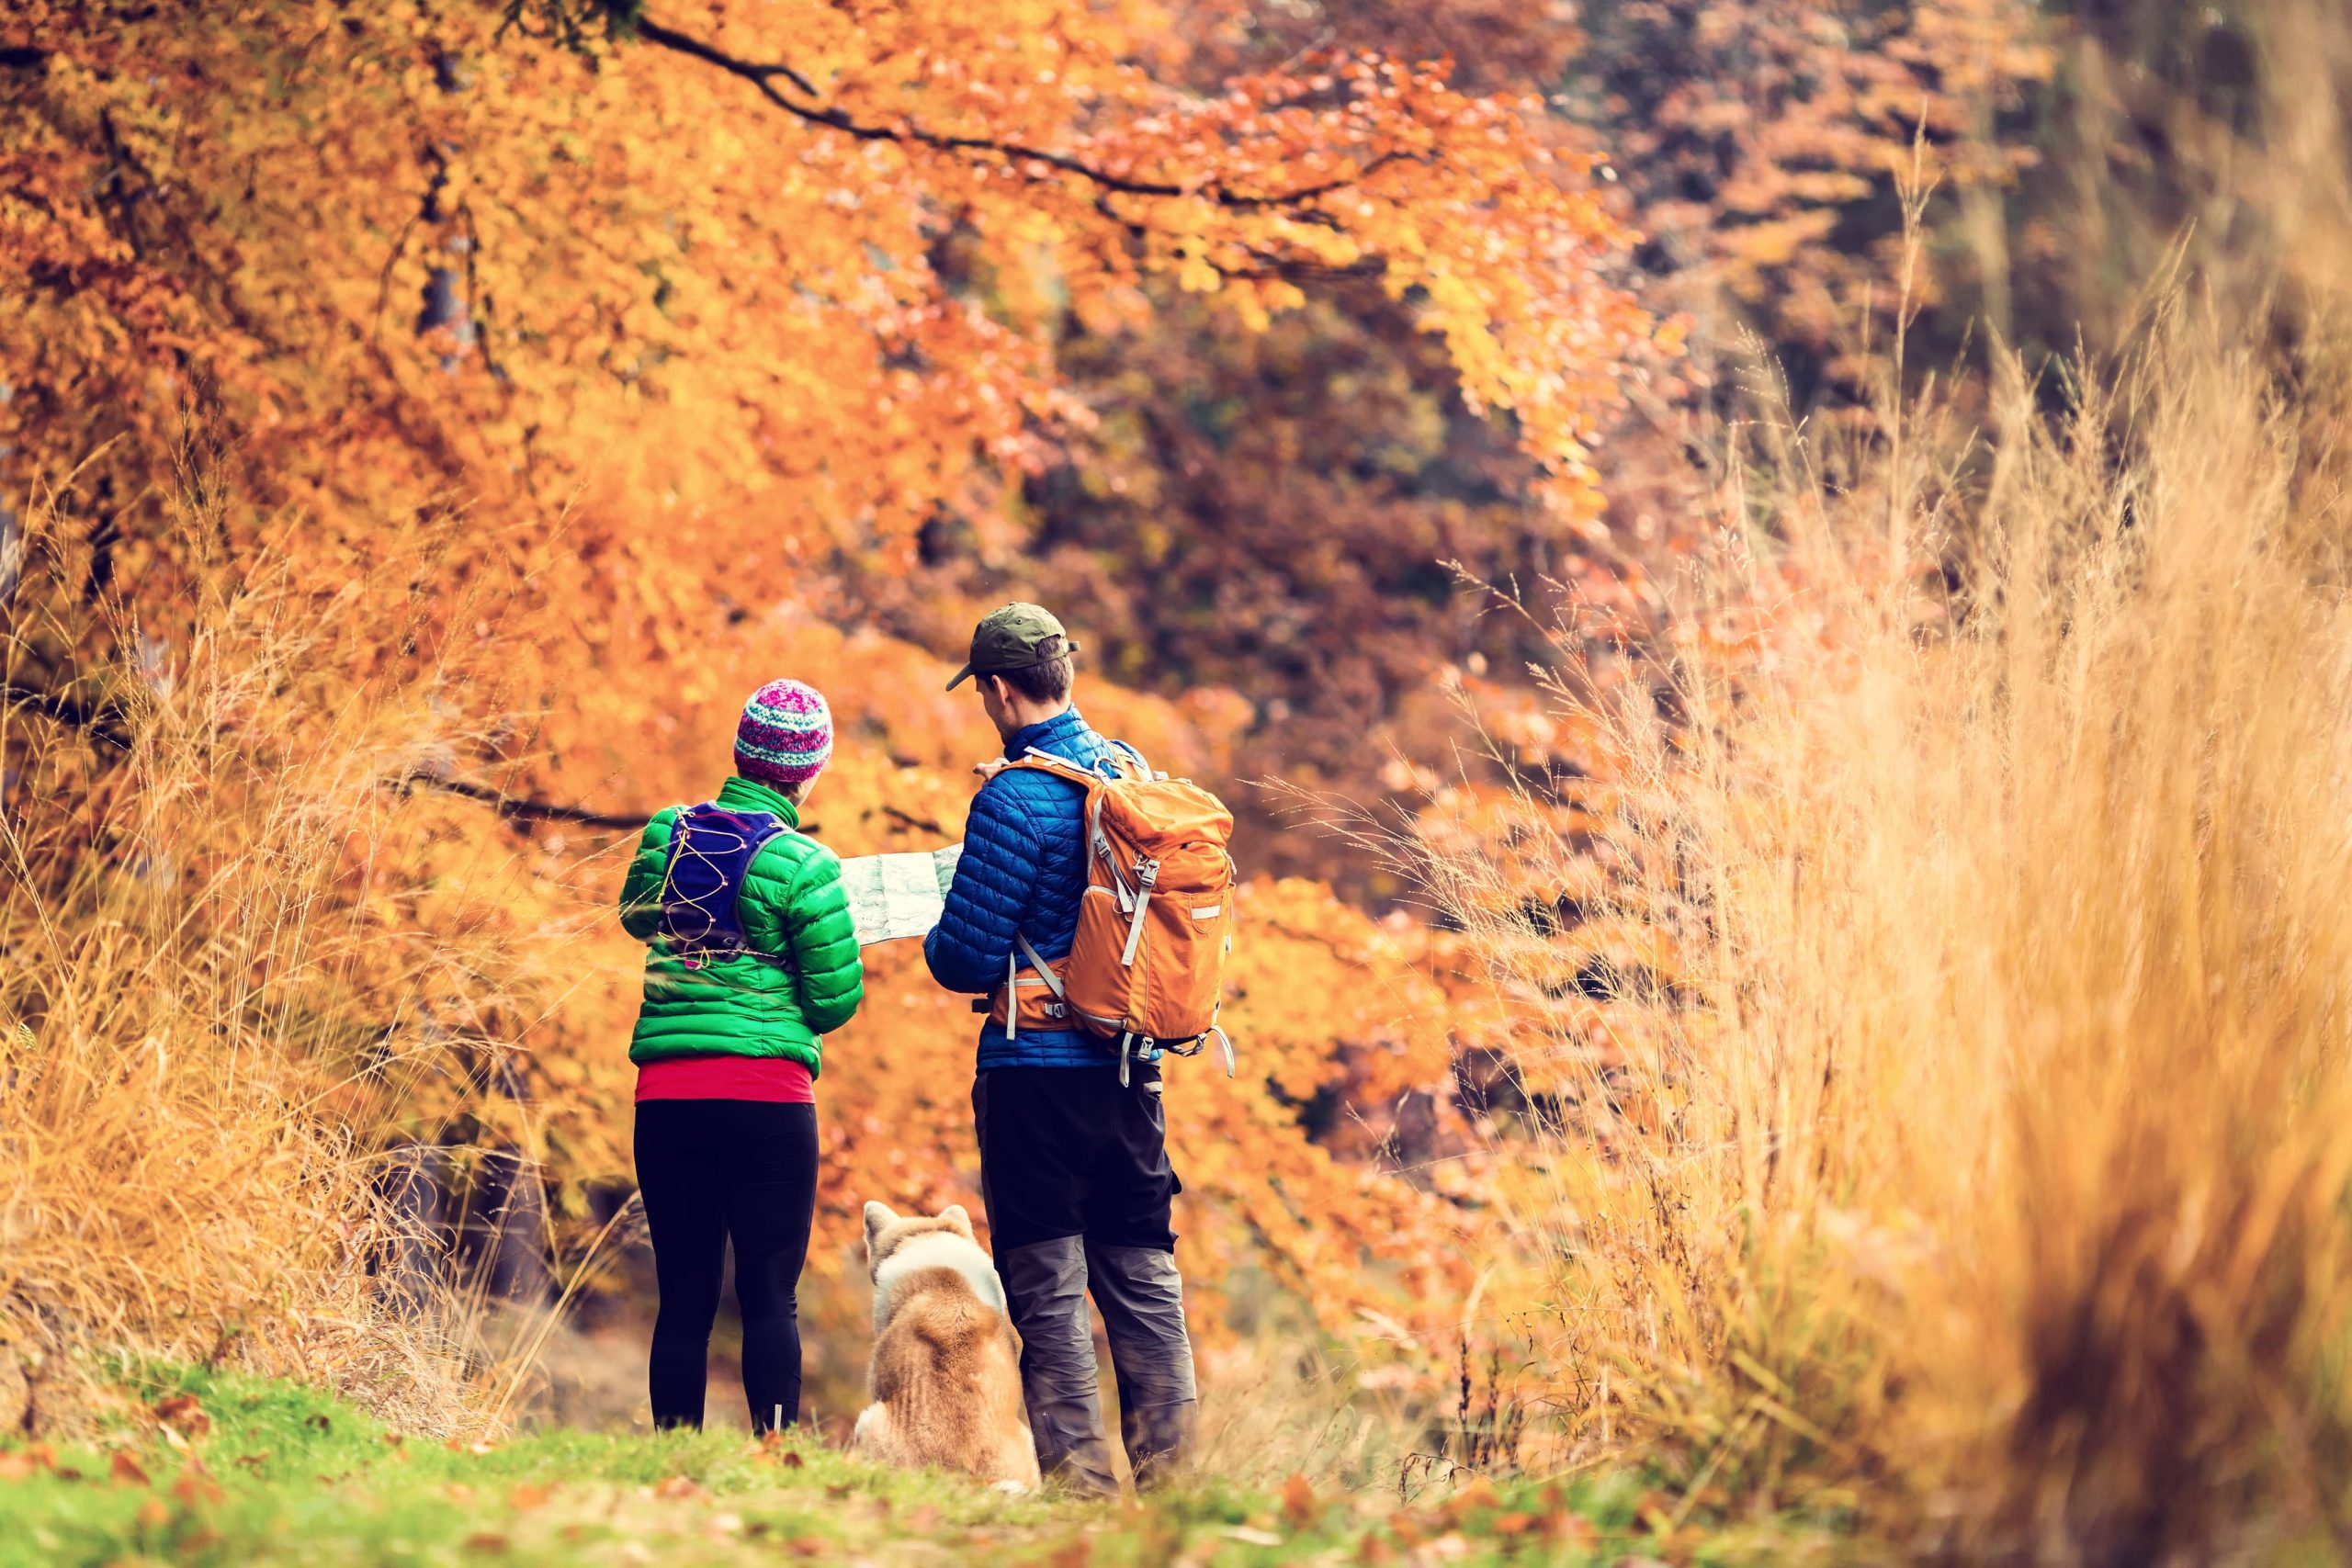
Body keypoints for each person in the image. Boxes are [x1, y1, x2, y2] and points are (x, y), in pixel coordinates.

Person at [923, 604, 1199, 1496]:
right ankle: (1176, 1493)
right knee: (1143, 1278)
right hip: (1131, 1071)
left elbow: (963, 954)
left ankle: (1083, 1503)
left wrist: (944, 916)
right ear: (1066, 674)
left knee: (1047, 1290)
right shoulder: (1127, 774)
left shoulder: (1011, 798)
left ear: (998, 690)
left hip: (1034, 1080)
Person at [617, 678, 864, 1433]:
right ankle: (775, 1454)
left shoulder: (670, 830)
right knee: (768, 1290)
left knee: (683, 1294)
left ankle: (671, 1457)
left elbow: (634, 916)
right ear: (809, 772)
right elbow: (832, 1003)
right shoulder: (807, 864)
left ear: (739, 753)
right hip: (767, 1098)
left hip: (667, 1095)